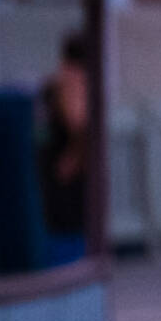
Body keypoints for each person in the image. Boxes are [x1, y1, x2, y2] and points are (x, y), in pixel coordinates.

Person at [38, 34, 92, 268]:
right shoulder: (73, 82)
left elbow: (78, 124)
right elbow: (79, 124)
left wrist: (74, 156)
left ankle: (69, 273)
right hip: (64, 168)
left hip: (62, 167)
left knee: (67, 232)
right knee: (67, 232)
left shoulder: (67, 81)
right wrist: (74, 156)